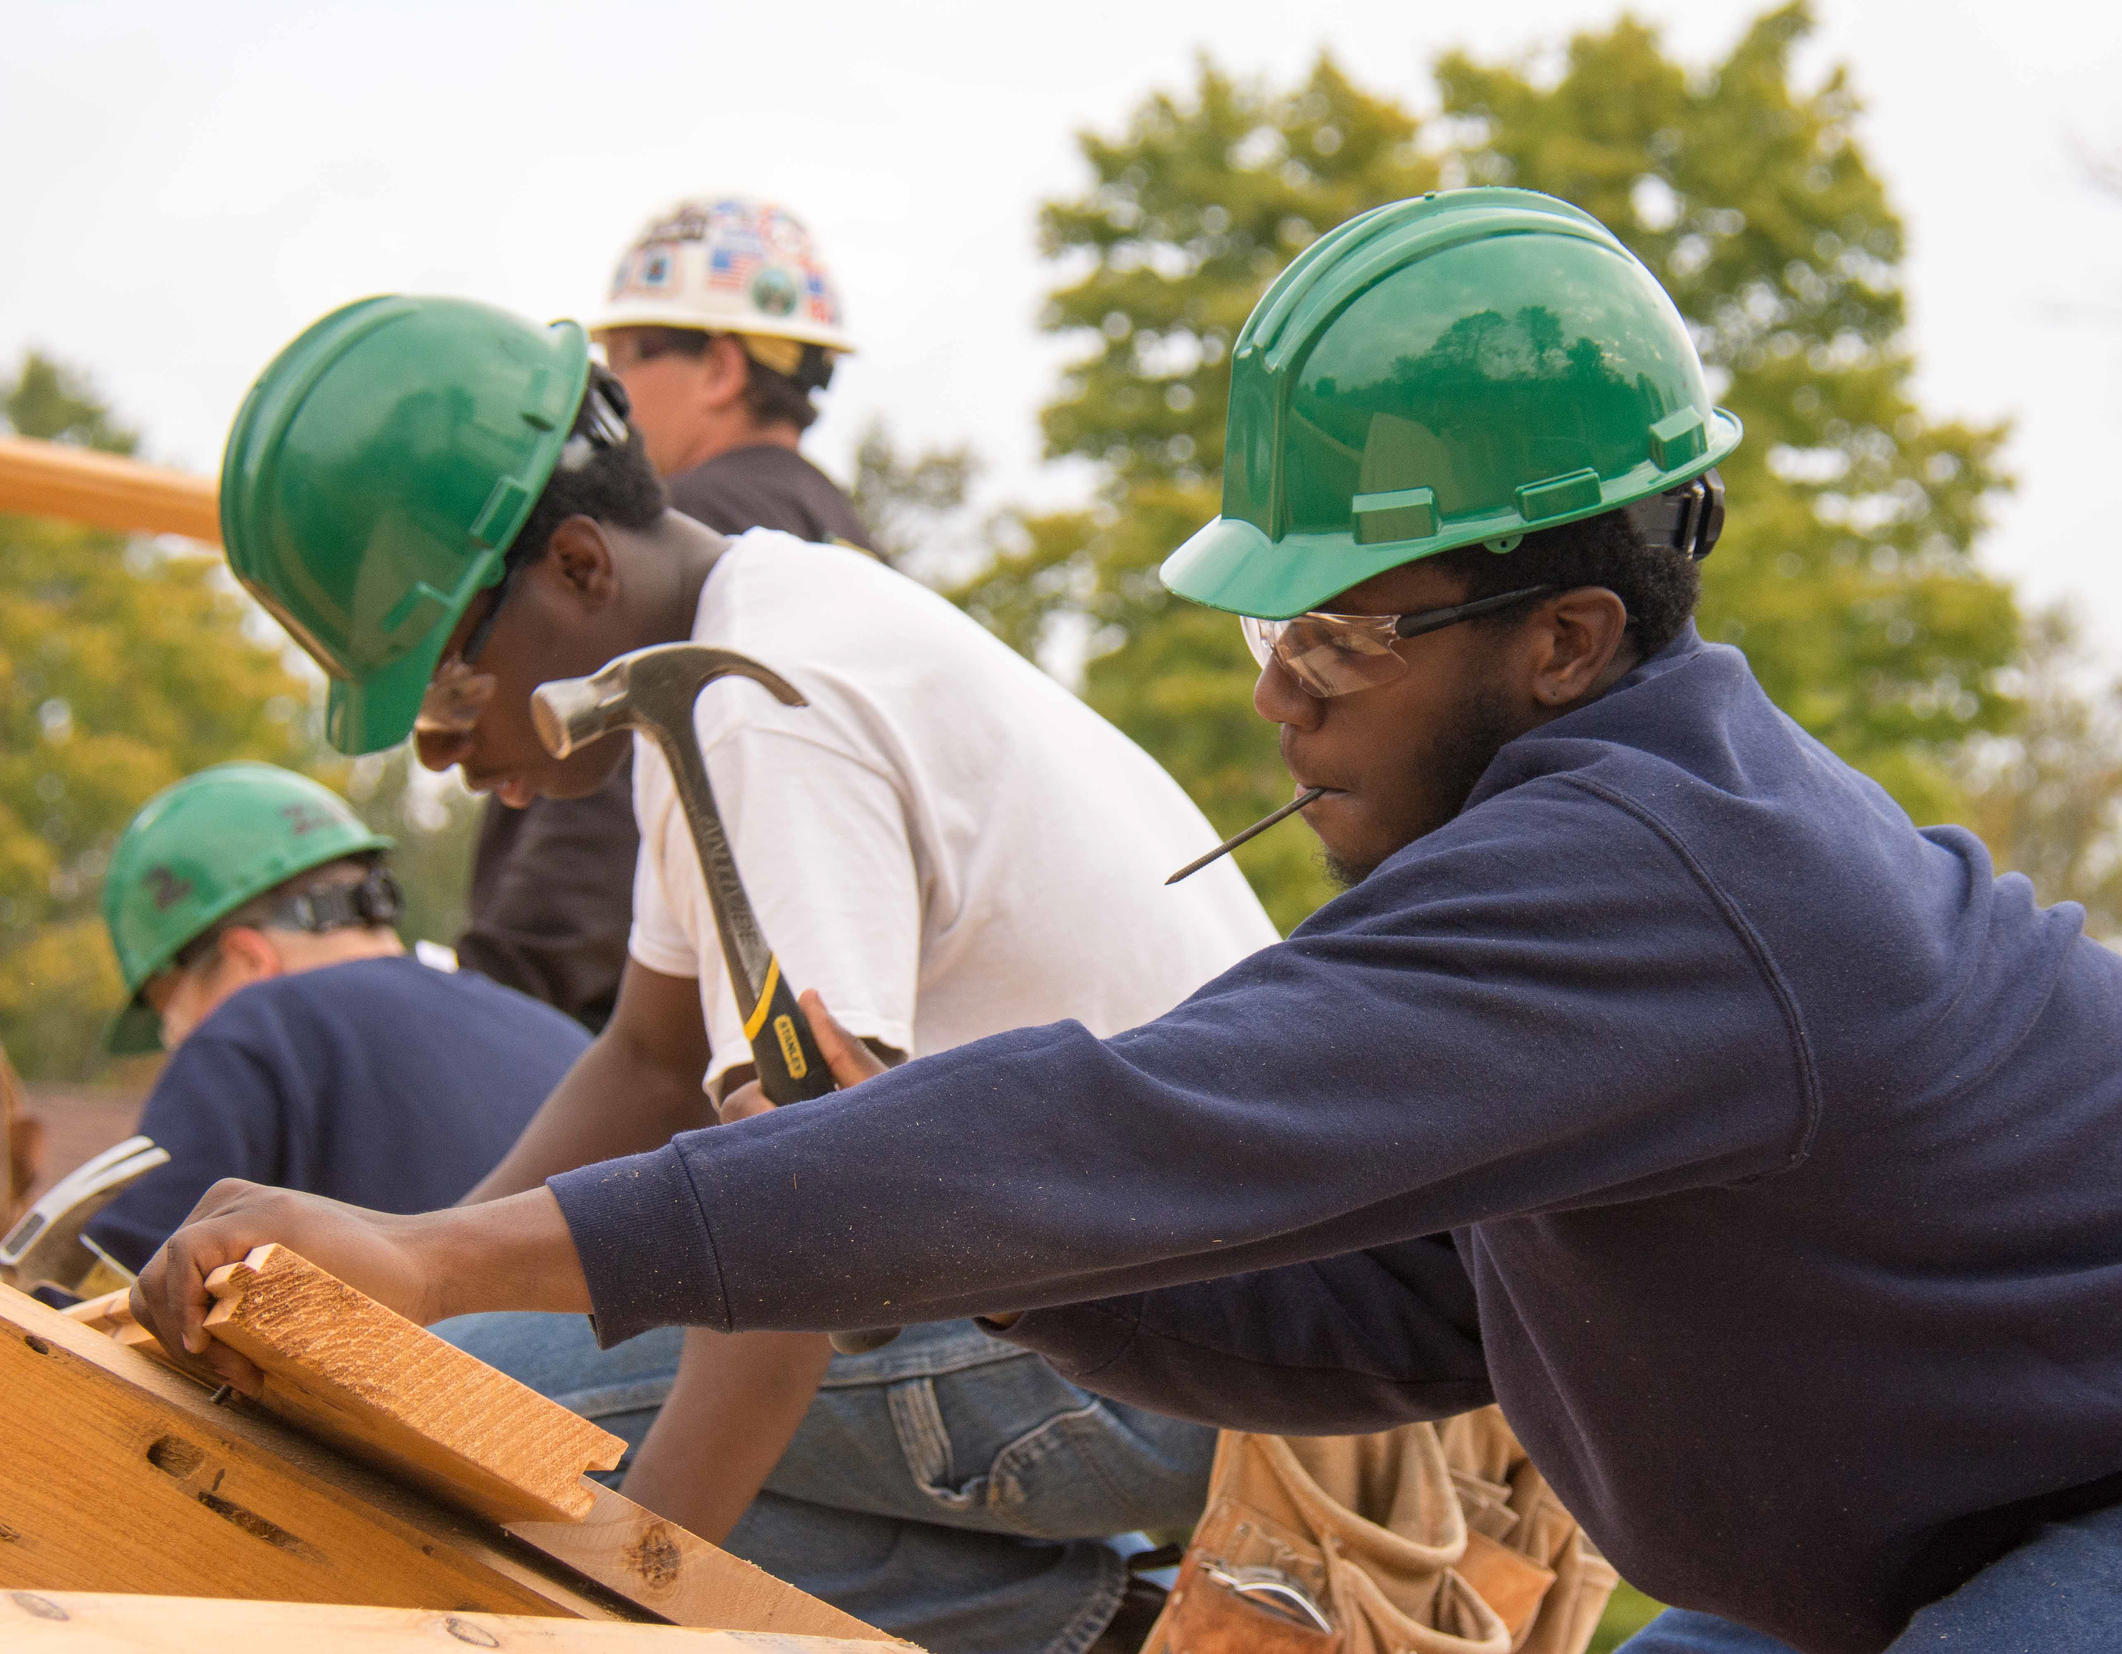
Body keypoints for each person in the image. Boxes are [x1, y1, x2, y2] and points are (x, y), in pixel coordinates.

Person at [138, 188, 2122, 1654]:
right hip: (1975, 1514)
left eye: (1349, 630)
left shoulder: (1650, 871)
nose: (1280, 679)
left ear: (1565, 638)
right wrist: (957, 1235)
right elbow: (1362, 1312)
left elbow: (1097, 1129)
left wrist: (449, 1275)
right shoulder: (1553, 891)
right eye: (1266, 621)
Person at [192, 292, 1278, 1654]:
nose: (447, 754)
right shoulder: (751, 633)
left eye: (450, 691)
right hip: (1182, 1303)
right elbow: (646, 1057)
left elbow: (806, 1227)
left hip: (1185, 1351)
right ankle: (1080, 1623)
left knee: (461, 1430)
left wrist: (619, 1611)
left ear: (581, 568)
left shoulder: (768, 710)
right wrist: (392, 1286)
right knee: (430, 1378)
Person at [459, 194, 873, 1032]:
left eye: (623, 359)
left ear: (720, 369)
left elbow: (608, 792)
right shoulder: (843, 539)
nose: (606, 393)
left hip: (628, 1025)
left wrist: (494, 1002)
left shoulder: (692, 539)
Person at [84, 763, 588, 1271]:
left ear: (248, 961)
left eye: (172, 1012)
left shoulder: (255, 1028)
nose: (180, 1042)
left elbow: (113, 1290)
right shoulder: (571, 1046)